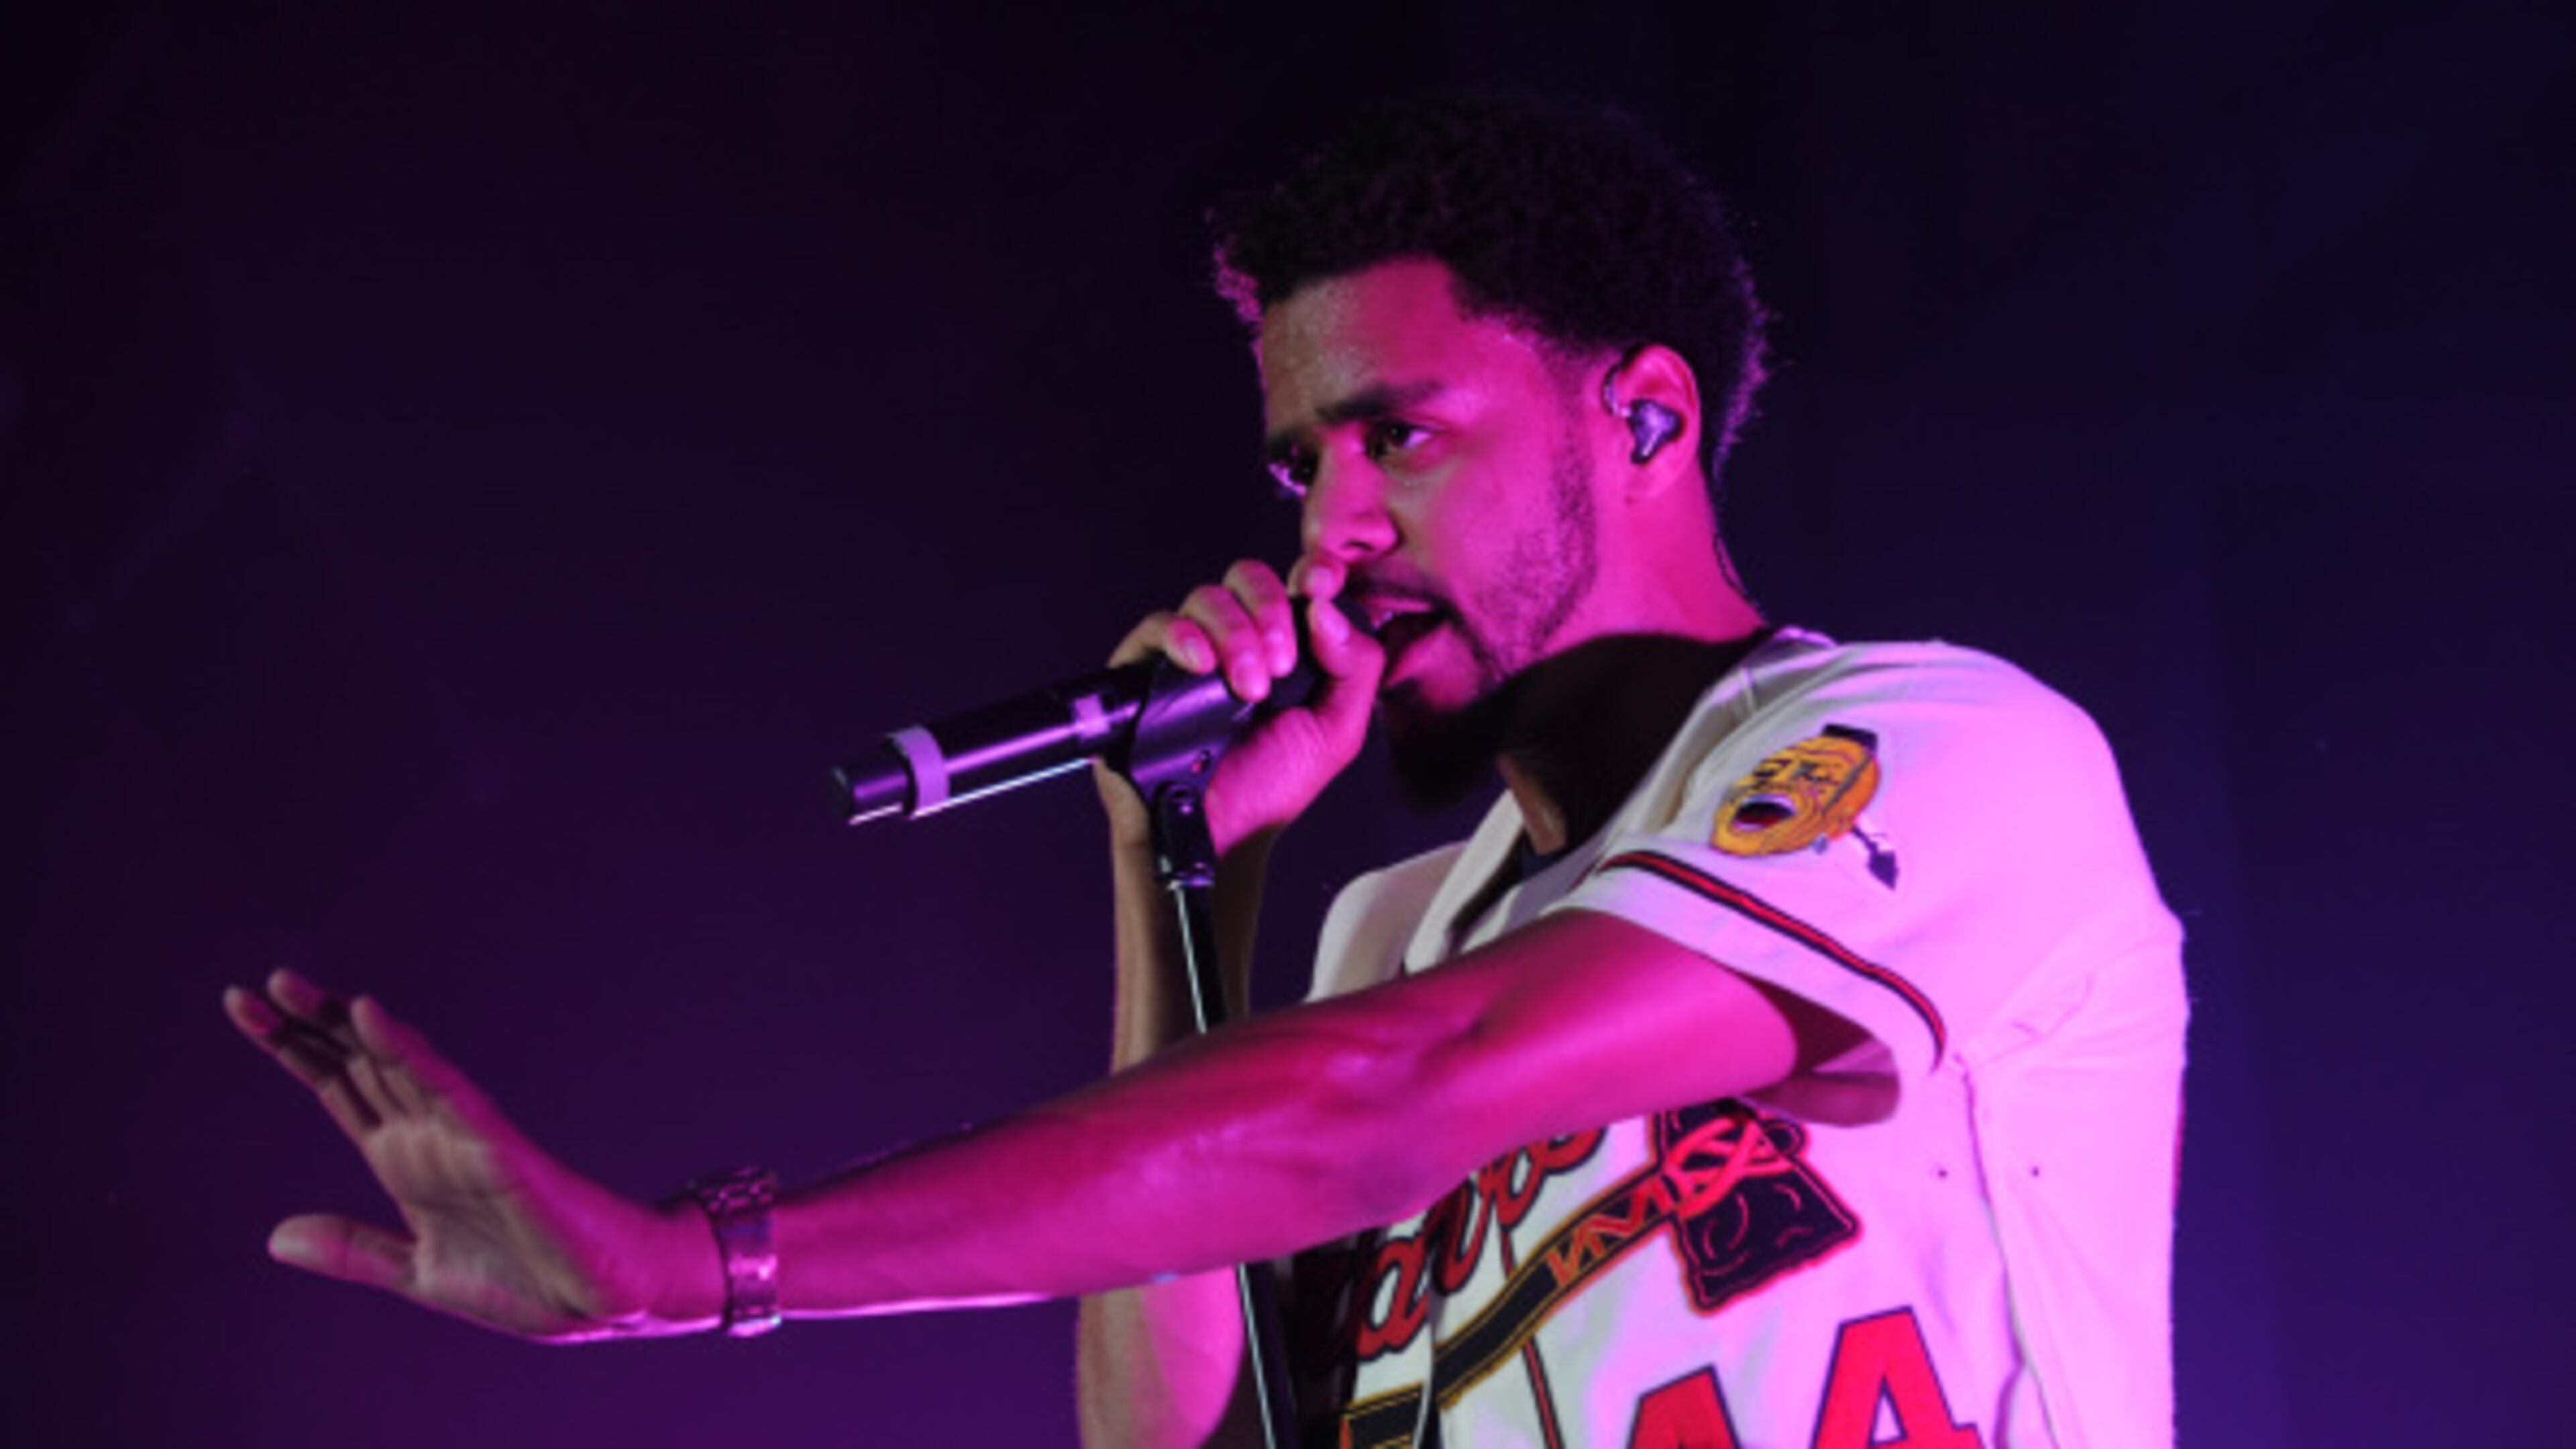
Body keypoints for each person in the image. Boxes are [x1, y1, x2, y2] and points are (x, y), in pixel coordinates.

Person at [226, 93, 2186, 1448]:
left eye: (1395, 439)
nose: (1329, 524)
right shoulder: (1396, 927)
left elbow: (1404, 1096)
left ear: (1647, 415)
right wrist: (1185, 866)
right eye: (1296, 465)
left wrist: (694, 1263)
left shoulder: (1937, 754)